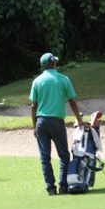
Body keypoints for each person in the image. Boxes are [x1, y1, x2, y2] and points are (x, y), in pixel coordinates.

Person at [29, 53, 84, 195]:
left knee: (44, 157)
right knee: (64, 155)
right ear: (53, 63)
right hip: (57, 122)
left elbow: (33, 106)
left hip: (41, 122)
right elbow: (72, 102)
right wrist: (79, 119)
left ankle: (51, 188)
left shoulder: (37, 81)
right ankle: (63, 186)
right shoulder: (63, 79)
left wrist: (34, 126)